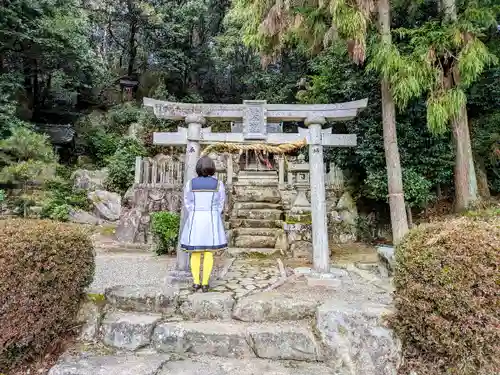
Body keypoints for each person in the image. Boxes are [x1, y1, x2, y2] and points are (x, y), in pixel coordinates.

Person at [180, 156, 227, 292]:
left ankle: (196, 282)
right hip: (211, 218)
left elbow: (187, 202)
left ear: (198, 168)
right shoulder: (218, 184)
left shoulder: (191, 183)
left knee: (195, 251)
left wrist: (194, 211)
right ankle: (205, 283)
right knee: (208, 252)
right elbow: (220, 203)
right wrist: (214, 213)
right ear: (212, 167)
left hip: (195, 217)